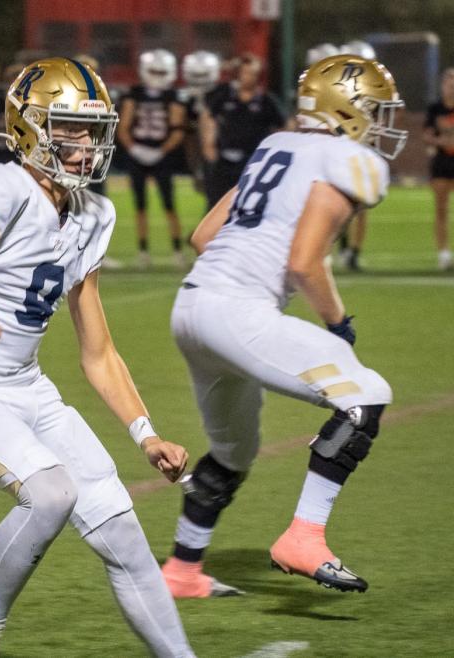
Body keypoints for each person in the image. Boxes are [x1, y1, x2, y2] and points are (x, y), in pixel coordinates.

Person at [0, 57, 194, 658]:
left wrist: (145, 433)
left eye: (92, 130)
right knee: (51, 493)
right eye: (69, 129)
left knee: (123, 532)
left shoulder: (94, 214)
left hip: (28, 387)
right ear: (29, 128)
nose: (85, 145)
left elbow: (98, 351)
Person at [160, 54, 407, 598]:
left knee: (232, 452)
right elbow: (303, 262)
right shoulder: (346, 159)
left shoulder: (276, 144)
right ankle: (304, 536)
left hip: (193, 306)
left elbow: (205, 236)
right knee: (365, 393)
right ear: (350, 109)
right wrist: (337, 323)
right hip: (236, 311)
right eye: (377, 110)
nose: (384, 124)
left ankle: (182, 571)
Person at [119, 49, 187, 269]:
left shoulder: (173, 97)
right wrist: (133, 148)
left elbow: (178, 128)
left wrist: (162, 150)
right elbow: (123, 126)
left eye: (161, 71)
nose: (157, 75)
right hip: (138, 153)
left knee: (169, 204)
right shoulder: (133, 94)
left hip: (162, 155)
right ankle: (143, 251)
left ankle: (177, 251)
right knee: (140, 205)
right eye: (153, 70)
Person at [201, 53, 286, 209]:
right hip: (224, 160)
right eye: (245, 72)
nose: (248, 77)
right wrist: (208, 143)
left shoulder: (266, 100)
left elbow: (283, 126)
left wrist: (273, 151)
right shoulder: (225, 96)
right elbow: (209, 116)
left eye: (253, 74)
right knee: (215, 204)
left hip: (253, 162)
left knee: (250, 205)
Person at [336, 41, 379, 271]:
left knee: (361, 206)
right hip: (339, 151)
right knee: (337, 204)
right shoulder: (334, 89)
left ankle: (353, 251)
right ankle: (340, 247)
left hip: (362, 151)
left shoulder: (373, 90)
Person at [179, 50, 221, 200]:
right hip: (194, 144)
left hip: (217, 146)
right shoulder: (184, 98)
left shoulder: (221, 95)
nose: (199, 80)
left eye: (202, 75)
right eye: (196, 76)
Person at [424, 67, 454, 271]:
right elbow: (426, 135)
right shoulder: (435, 108)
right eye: (449, 81)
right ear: (443, 85)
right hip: (442, 163)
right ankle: (443, 254)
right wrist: (440, 140)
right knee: (441, 209)